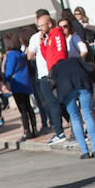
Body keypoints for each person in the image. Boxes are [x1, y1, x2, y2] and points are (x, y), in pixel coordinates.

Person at [51, 56, 95, 158]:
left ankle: (85, 151)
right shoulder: (75, 60)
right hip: (83, 85)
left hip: (66, 90)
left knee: (75, 118)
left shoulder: (55, 68)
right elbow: (90, 69)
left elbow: (53, 83)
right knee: (88, 115)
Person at [28, 11, 67, 144]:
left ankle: (60, 131)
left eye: (41, 25)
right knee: (56, 103)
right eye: (38, 26)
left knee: (55, 103)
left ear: (49, 24)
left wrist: (57, 69)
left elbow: (60, 53)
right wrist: (43, 45)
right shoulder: (46, 36)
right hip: (48, 73)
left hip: (52, 73)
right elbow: (47, 55)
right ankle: (67, 128)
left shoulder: (56, 33)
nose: (39, 29)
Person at [0, 33, 38, 141]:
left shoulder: (11, 54)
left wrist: (5, 79)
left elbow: (9, 70)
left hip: (17, 83)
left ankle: (27, 131)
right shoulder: (20, 53)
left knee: (22, 109)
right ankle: (34, 128)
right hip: (25, 80)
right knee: (28, 106)